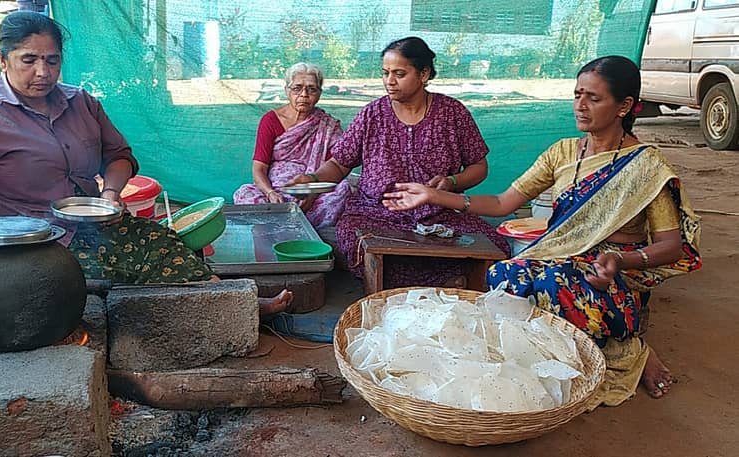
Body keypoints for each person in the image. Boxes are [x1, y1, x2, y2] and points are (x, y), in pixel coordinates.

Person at [0, 11, 291, 315]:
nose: (43, 72)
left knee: (161, 240)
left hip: (92, 224)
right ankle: (221, 311)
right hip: (25, 247)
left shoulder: (80, 103)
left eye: (52, 61)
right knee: (130, 272)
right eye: (29, 60)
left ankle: (231, 306)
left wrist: (109, 194)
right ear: (3, 60)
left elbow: (120, 156)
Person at [382, 55, 702, 406]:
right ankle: (551, 360)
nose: (580, 106)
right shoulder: (562, 152)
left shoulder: (646, 167)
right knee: (505, 274)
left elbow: (672, 246)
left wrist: (620, 261)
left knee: (555, 283)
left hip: (614, 270)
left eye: (593, 98)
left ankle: (632, 353)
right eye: (577, 94)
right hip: (560, 252)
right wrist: (436, 195)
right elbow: (504, 203)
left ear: (625, 105)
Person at [286, 36, 510, 288]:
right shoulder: (372, 114)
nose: (389, 81)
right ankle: (433, 286)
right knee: (355, 240)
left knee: (497, 247)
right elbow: (340, 163)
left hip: (440, 214)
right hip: (375, 213)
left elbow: (479, 167)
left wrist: (452, 181)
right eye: (385, 73)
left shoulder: (452, 113)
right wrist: (313, 179)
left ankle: (443, 285)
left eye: (399, 73)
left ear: (424, 73)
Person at [233, 62, 351, 228]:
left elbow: (336, 167)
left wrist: (312, 193)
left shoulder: (328, 125)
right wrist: (270, 193)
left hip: (313, 192)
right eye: (297, 88)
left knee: (342, 191)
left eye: (312, 89)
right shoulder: (271, 120)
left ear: (319, 94)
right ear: (287, 90)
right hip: (276, 190)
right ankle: (284, 224)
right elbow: (259, 167)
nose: (304, 94)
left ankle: (292, 226)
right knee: (244, 194)